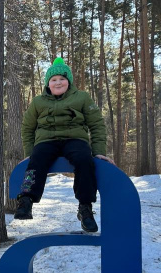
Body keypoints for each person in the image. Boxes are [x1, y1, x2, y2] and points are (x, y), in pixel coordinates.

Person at [14, 57, 114, 232]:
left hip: (74, 139)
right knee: (37, 160)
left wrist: (99, 151)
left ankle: (85, 208)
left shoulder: (82, 97)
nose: (58, 82)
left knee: (84, 160)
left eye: (62, 78)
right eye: (54, 79)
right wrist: (29, 152)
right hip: (46, 141)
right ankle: (26, 200)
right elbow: (27, 128)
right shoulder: (38, 102)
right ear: (48, 83)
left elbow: (97, 124)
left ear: (69, 81)